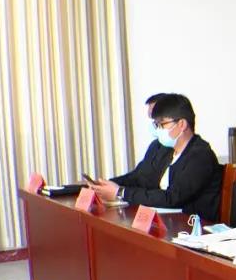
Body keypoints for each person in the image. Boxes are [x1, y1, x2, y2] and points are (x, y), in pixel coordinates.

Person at [89, 94, 222, 219]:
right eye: (156, 125)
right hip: (166, 219)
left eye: (162, 124)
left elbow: (172, 198)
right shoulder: (167, 151)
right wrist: (105, 186)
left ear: (182, 124)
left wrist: (121, 193)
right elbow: (142, 179)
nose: (158, 130)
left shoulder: (200, 155)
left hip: (191, 225)